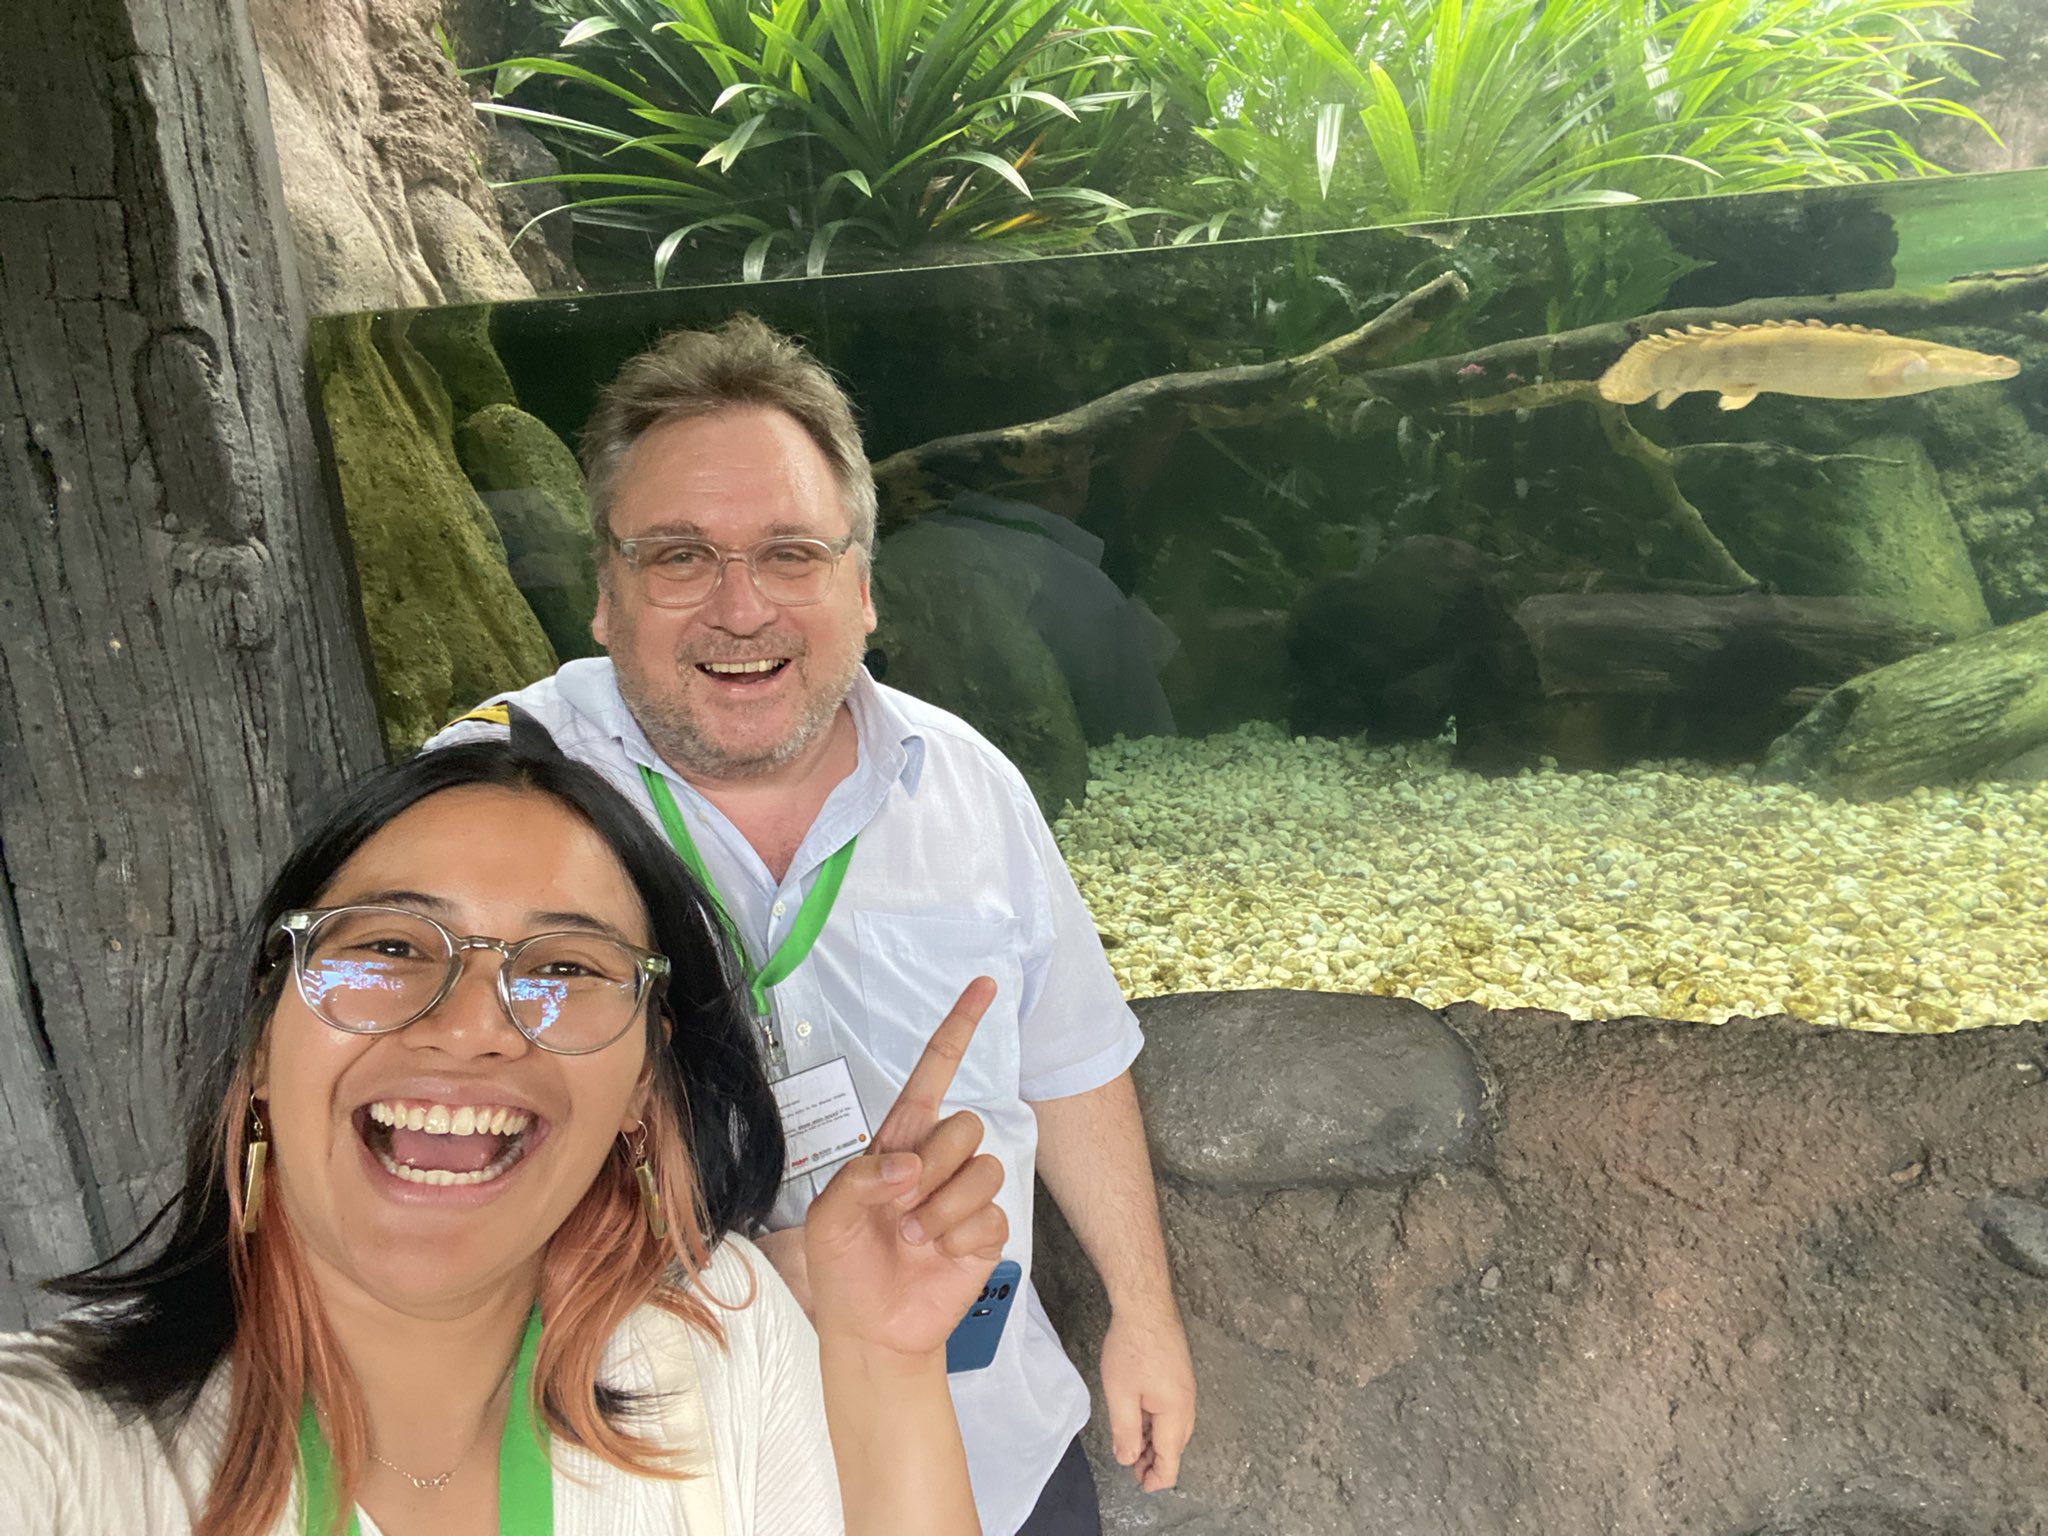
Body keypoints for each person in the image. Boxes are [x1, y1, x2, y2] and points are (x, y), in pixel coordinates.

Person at [429, 315, 1196, 1534]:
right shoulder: (490, 794)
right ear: (603, 592)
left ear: (862, 584)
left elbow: (1071, 1062)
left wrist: (1144, 1316)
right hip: (662, 1471)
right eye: (680, 556)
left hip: (988, 1441)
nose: (742, 610)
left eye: (790, 554)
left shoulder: (966, 782)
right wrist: (756, 1291)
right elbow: (419, 1169)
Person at [0, 740, 1010, 1535]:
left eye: (565, 969)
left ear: (640, 1086)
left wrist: (883, 1358)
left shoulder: (721, 1341)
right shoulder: (64, 1449)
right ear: (263, 1040)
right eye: (390, 946)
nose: (472, 1024)